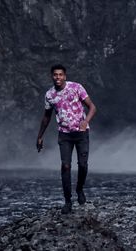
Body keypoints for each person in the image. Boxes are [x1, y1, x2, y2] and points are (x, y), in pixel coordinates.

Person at [36, 64, 97, 214]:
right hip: (64, 135)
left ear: (65, 76)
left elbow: (92, 107)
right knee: (65, 166)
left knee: (82, 165)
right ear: (52, 76)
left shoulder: (76, 87)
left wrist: (85, 121)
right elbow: (46, 117)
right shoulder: (49, 95)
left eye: (60, 74)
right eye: (55, 75)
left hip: (81, 133)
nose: (58, 77)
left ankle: (80, 189)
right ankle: (68, 201)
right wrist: (40, 137)